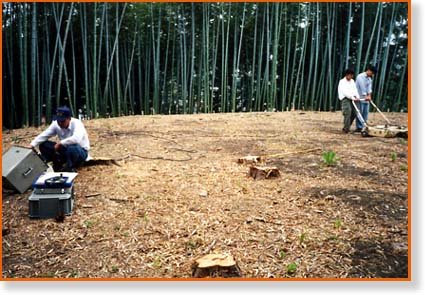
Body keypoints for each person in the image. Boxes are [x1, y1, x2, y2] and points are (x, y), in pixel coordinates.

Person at [29, 106, 90, 172]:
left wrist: (61, 143)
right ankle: (57, 164)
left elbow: (76, 139)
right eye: (59, 121)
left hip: (80, 151)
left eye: (63, 121)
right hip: (65, 150)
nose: (60, 123)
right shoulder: (56, 124)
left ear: (69, 118)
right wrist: (32, 144)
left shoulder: (77, 123)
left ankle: (70, 167)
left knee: (72, 148)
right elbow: (45, 134)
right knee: (44, 145)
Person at [355, 65, 378, 131]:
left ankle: (363, 126)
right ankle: (359, 127)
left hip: (366, 99)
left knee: (365, 113)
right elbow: (362, 88)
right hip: (359, 97)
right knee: (360, 112)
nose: (372, 74)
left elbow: (369, 88)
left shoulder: (369, 79)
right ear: (368, 70)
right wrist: (365, 96)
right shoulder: (360, 76)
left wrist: (369, 96)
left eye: (373, 74)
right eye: (372, 73)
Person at [338, 69, 361, 133]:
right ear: (346, 75)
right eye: (350, 75)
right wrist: (352, 97)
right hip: (345, 99)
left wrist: (357, 97)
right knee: (348, 112)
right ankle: (346, 129)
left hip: (353, 98)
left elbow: (355, 90)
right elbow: (345, 92)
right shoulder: (342, 82)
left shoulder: (352, 81)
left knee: (354, 113)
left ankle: (347, 126)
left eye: (352, 75)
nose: (351, 77)